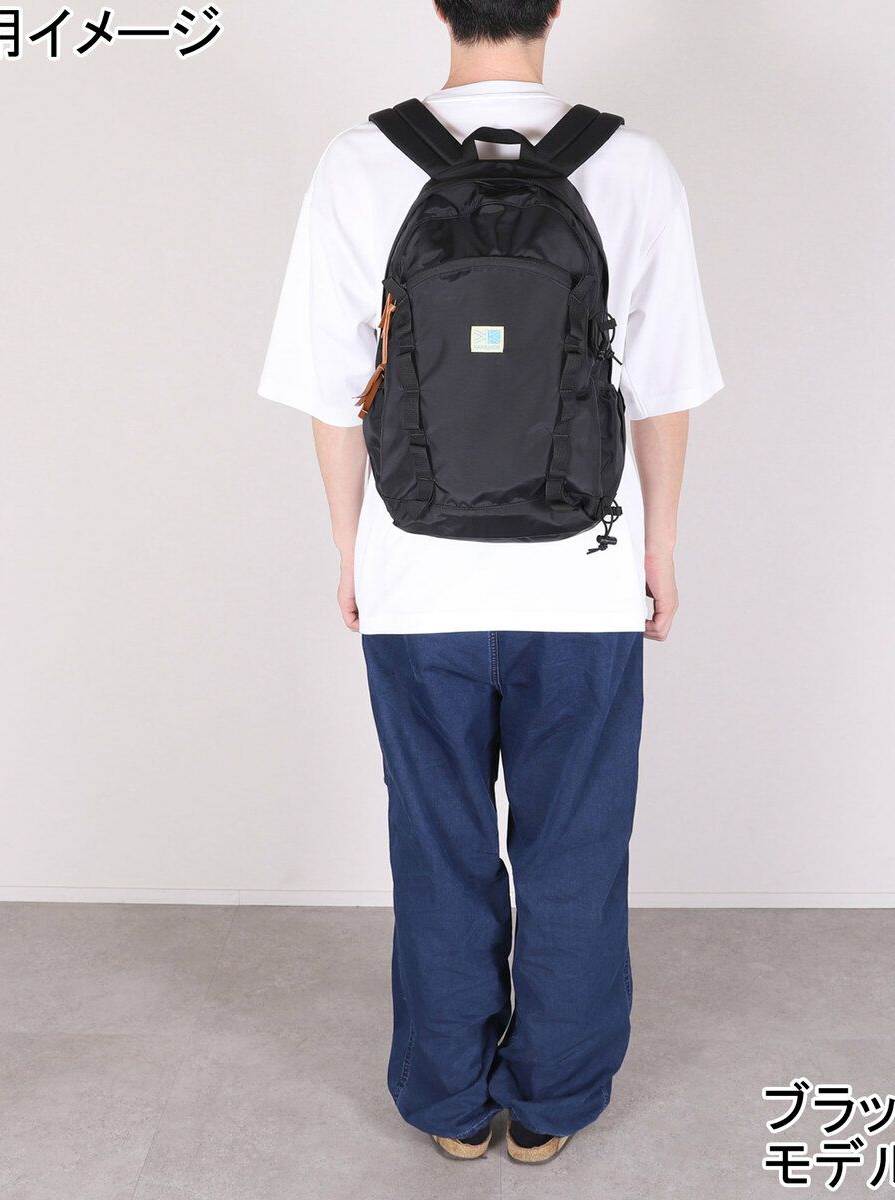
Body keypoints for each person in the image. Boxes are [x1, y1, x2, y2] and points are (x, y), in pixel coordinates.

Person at [258, 0, 722, 1165]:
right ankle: (551, 1103)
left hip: (419, 583)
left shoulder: (361, 163)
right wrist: (659, 550)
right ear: (554, 4)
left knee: (439, 846)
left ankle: (451, 1105)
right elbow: (663, 386)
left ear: (439, 4)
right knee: (575, 847)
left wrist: (353, 548)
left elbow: (332, 392)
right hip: (585, 585)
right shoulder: (632, 165)